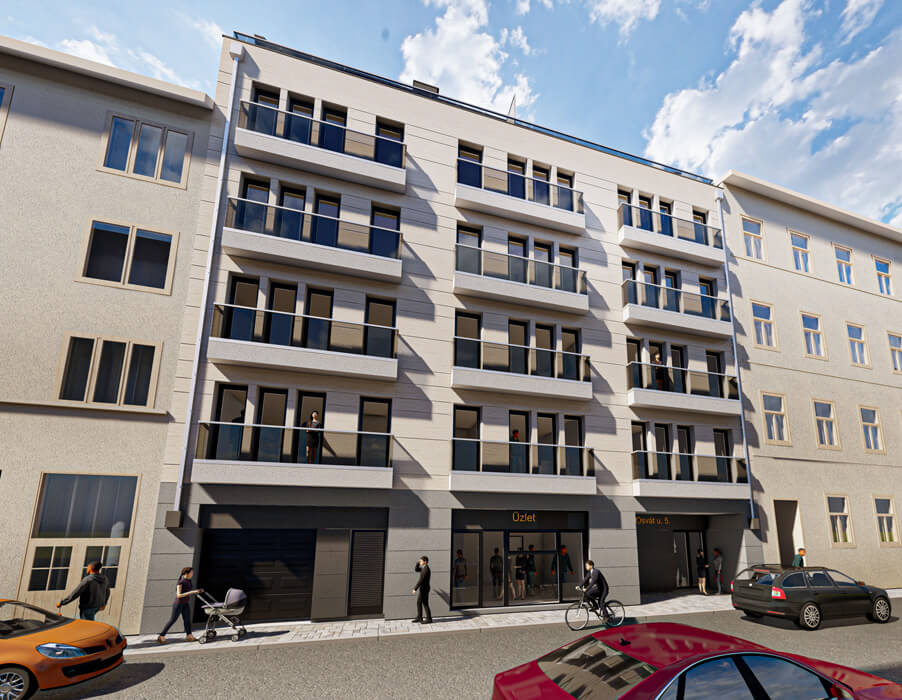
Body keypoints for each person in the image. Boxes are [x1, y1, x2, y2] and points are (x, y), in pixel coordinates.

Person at [157, 567, 204, 644]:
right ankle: (161, 636)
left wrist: (197, 591)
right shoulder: (181, 582)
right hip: (178, 604)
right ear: (186, 573)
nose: (193, 574)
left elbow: (188, 591)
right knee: (173, 620)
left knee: (187, 620)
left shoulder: (189, 581)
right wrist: (192, 592)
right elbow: (179, 595)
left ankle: (189, 636)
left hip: (185, 603)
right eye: (191, 572)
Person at [412, 555, 432, 624]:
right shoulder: (423, 568)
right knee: (419, 602)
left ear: (425, 562)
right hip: (423, 588)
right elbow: (416, 569)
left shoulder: (426, 569)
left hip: (425, 589)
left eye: (421, 561)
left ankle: (429, 619)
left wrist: (415, 589)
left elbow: (421, 580)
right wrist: (417, 563)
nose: (420, 562)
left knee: (425, 603)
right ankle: (419, 617)